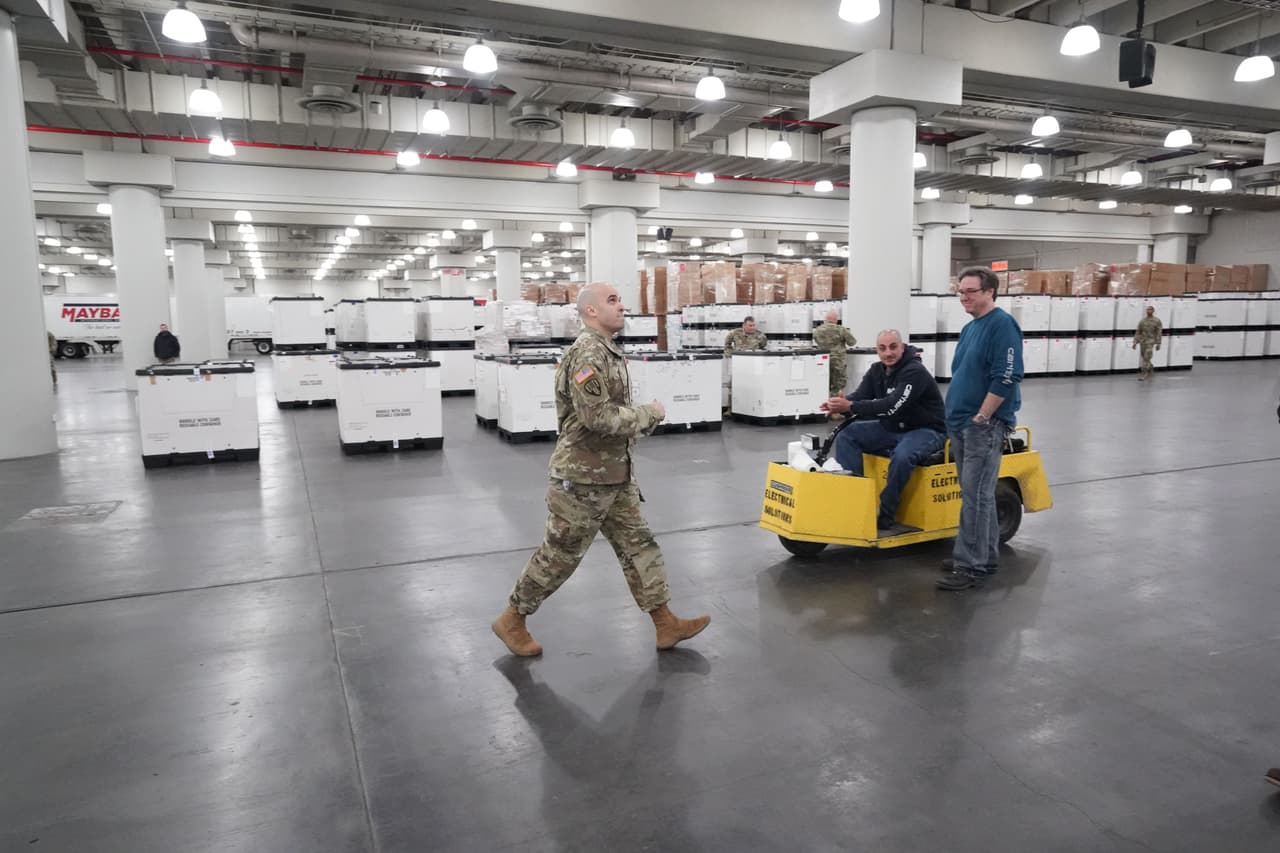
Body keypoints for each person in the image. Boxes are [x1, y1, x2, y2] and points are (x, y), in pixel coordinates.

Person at [493, 282, 711, 657]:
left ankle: (665, 623)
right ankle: (512, 618)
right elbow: (598, 417)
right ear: (590, 311)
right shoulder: (588, 354)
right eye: (613, 300)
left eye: (620, 299)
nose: (622, 306)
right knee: (560, 555)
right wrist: (650, 414)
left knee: (639, 545)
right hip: (582, 480)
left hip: (614, 474)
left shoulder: (608, 351)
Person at [937, 266, 1024, 592]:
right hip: (961, 423)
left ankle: (969, 565)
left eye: (970, 291)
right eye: (960, 291)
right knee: (978, 497)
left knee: (975, 497)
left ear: (990, 292)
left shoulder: (1002, 325)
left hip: (981, 427)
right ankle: (981, 557)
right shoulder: (971, 327)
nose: (964, 297)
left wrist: (983, 417)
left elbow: (1007, 375)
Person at [821, 330, 946, 537]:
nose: (888, 353)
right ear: (877, 351)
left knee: (902, 456)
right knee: (848, 435)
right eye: (882, 348)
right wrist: (839, 405)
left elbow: (892, 406)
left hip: (927, 430)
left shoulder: (914, 372)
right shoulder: (877, 371)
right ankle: (856, 502)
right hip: (894, 427)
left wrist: (851, 405)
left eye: (893, 347)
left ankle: (886, 514)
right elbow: (860, 396)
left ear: (902, 347)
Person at [812, 309, 857, 396]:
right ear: (836, 320)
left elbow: (816, 341)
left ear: (825, 319)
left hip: (823, 361)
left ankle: (822, 403)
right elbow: (852, 342)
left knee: (823, 383)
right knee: (838, 385)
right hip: (838, 361)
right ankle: (834, 405)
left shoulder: (817, 330)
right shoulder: (841, 330)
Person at [1132, 305, 1163, 381]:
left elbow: (1159, 332)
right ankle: (1151, 367)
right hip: (1143, 342)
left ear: (1153, 311)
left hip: (1151, 342)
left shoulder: (1157, 321)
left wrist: (1158, 343)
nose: (1148, 311)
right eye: (1147, 310)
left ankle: (1144, 374)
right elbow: (1138, 331)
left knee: (1146, 357)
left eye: (1150, 310)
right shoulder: (1142, 321)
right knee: (1144, 357)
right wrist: (1135, 342)